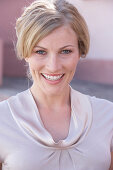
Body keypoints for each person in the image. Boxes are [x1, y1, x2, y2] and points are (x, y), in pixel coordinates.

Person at [0, 0, 113, 169]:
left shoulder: (107, 116)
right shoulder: (3, 120)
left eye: (65, 51)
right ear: (25, 52)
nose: (53, 66)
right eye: (40, 51)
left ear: (80, 51)